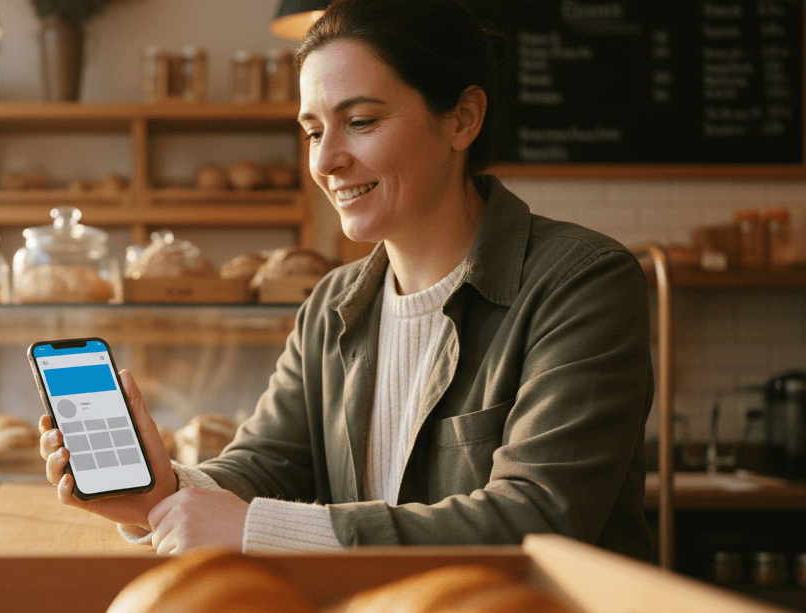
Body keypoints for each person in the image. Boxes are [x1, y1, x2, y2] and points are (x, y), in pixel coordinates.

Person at [38, 0, 653, 560]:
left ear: (462, 119)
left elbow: (537, 518)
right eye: (312, 131)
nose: (326, 160)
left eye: (359, 121)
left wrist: (255, 529)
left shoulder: (582, 283)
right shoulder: (333, 302)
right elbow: (271, 461)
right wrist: (162, 493)